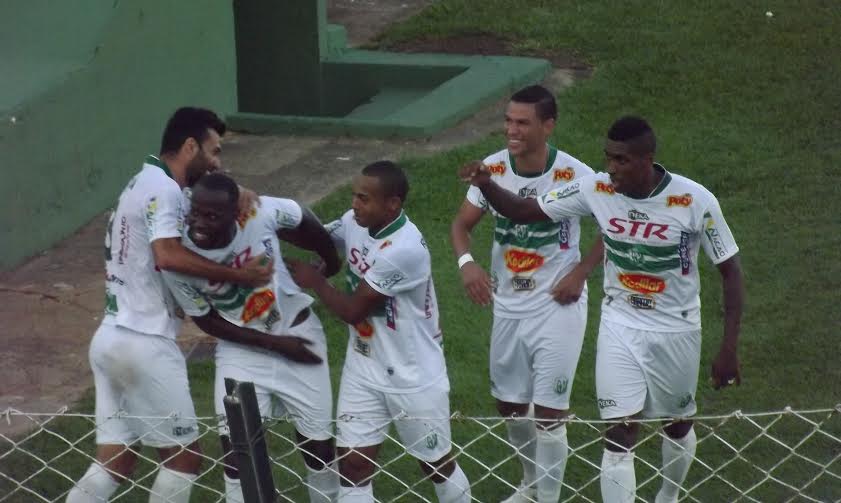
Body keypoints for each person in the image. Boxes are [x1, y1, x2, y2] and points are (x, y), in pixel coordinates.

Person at [459, 116, 743, 503]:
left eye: (621, 160)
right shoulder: (596, 188)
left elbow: (731, 271)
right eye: (608, 157)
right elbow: (525, 210)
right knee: (618, 434)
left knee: (676, 425)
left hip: (676, 329)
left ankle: (668, 495)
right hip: (619, 324)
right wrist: (487, 184)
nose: (611, 168)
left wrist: (728, 347)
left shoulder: (695, 200)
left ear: (647, 159)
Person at [67, 108, 273, 503]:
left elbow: (191, 208)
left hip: (111, 338)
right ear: (190, 146)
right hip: (145, 343)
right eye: (214, 151)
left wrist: (234, 190)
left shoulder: (143, 181)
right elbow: (168, 255)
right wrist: (240, 275)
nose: (217, 162)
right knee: (183, 460)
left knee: (115, 461)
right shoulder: (164, 190)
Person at [450, 84, 603, 503]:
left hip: (558, 304)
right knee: (511, 407)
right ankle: (532, 485)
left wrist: (581, 273)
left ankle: (547, 498)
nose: (511, 130)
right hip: (508, 304)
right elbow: (461, 224)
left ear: (548, 126)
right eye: (508, 121)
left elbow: (614, 225)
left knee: (550, 413)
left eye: (522, 122)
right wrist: (467, 264)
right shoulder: (493, 168)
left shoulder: (575, 174)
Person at [287, 161, 472, 503]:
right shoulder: (355, 221)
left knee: (436, 465)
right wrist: (268, 218)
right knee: (353, 466)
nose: (354, 204)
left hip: (412, 374)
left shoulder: (404, 249)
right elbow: (317, 237)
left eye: (364, 198)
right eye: (354, 195)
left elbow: (353, 311)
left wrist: (316, 281)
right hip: (364, 366)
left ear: (392, 205)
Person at [161, 172, 342, 503]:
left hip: (299, 335)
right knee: (237, 456)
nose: (199, 223)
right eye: (195, 213)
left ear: (235, 214)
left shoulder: (257, 214)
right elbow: (207, 320)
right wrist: (276, 345)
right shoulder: (179, 257)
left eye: (211, 216)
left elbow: (301, 217)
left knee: (318, 451)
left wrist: (330, 263)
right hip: (241, 351)